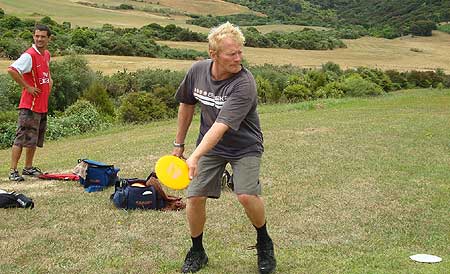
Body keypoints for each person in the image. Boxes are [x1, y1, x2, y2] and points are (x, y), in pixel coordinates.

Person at [172, 22, 276, 274]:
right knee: (194, 197)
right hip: (211, 148)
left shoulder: (244, 83)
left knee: (245, 194)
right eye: (232, 53)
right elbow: (187, 103)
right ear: (213, 54)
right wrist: (179, 145)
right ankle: (197, 251)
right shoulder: (197, 71)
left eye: (240, 52)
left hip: (244, 147)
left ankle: (264, 242)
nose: (238, 58)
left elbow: (220, 127)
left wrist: (194, 156)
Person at [7, 24, 53, 181]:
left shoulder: (46, 54)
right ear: (34, 37)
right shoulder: (29, 55)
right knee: (21, 138)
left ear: (49, 38)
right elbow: (12, 70)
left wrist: (49, 86)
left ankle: (28, 167)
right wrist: (27, 86)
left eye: (43, 36)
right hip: (29, 105)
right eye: (37, 36)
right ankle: (13, 171)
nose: (39, 39)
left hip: (41, 105)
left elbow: (47, 74)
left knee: (34, 138)